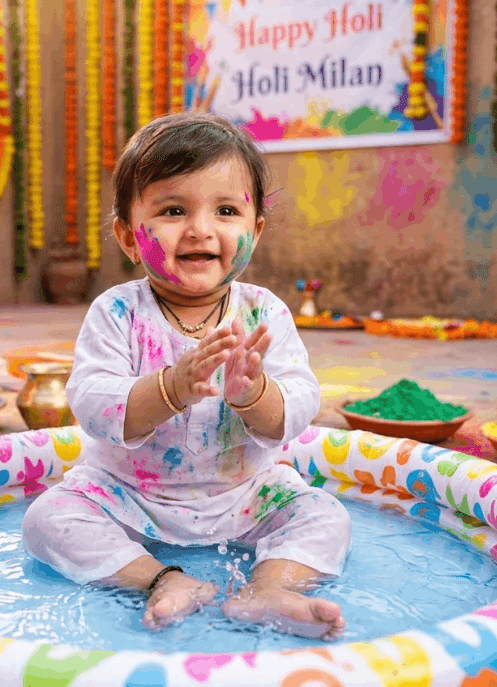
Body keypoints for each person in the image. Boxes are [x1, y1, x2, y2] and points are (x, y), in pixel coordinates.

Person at [22, 111, 351, 640]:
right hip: (129, 493)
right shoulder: (118, 313)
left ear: (255, 230)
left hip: (245, 494)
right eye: (174, 210)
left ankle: (269, 586)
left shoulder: (264, 314)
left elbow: (298, 407)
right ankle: (162, 579)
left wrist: (254, 396)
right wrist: (171, 387)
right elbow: (91, 402)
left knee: (325, 515)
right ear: (129, 238)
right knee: (47, 520)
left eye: (225, 210)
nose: (201, 229)